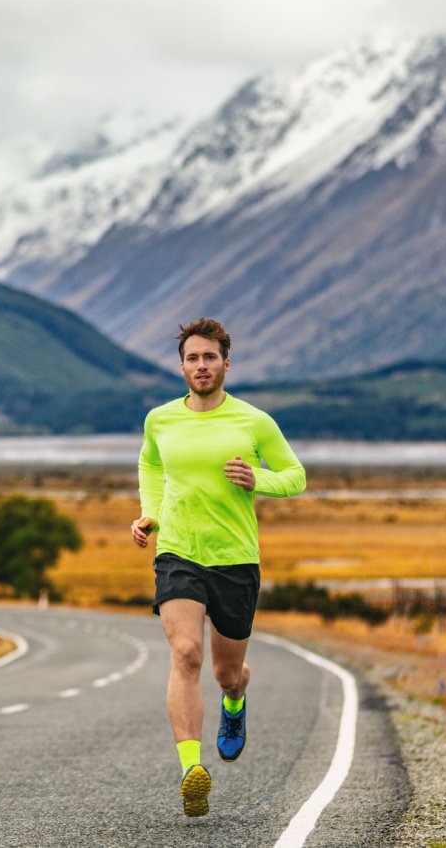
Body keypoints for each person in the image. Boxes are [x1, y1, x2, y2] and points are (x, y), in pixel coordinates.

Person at [131, 317, 306, 818]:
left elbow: (296, 476)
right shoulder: (160, 419)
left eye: (210, 357)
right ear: (182, 366)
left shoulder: (253, 421)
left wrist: (259, 480)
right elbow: (152, 465)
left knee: (226, 672)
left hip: (235, 560)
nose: (201, 366)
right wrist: (152, 514)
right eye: (192, 358)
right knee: (185, 653)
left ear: (226, 364)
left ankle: (235, 701)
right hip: (179, 553)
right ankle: (192, 770)